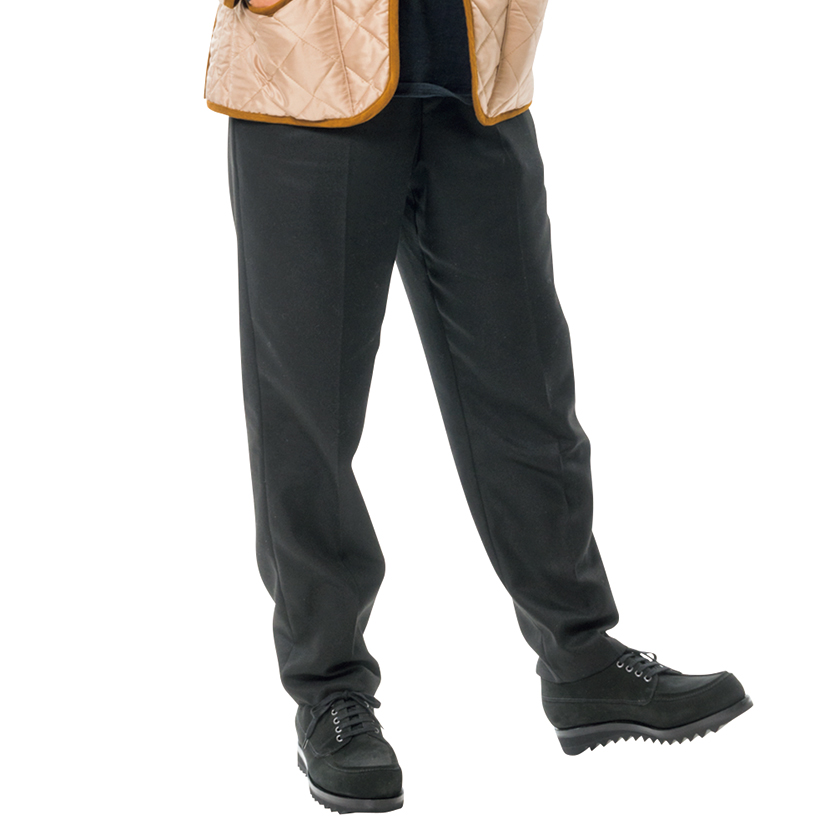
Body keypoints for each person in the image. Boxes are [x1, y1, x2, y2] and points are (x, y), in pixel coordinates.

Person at [204, 0, 752, 814]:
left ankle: (581, 658)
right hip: (308, 76)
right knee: (308, 419)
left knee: (529, 391)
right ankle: (329, 691)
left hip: (478, 81)